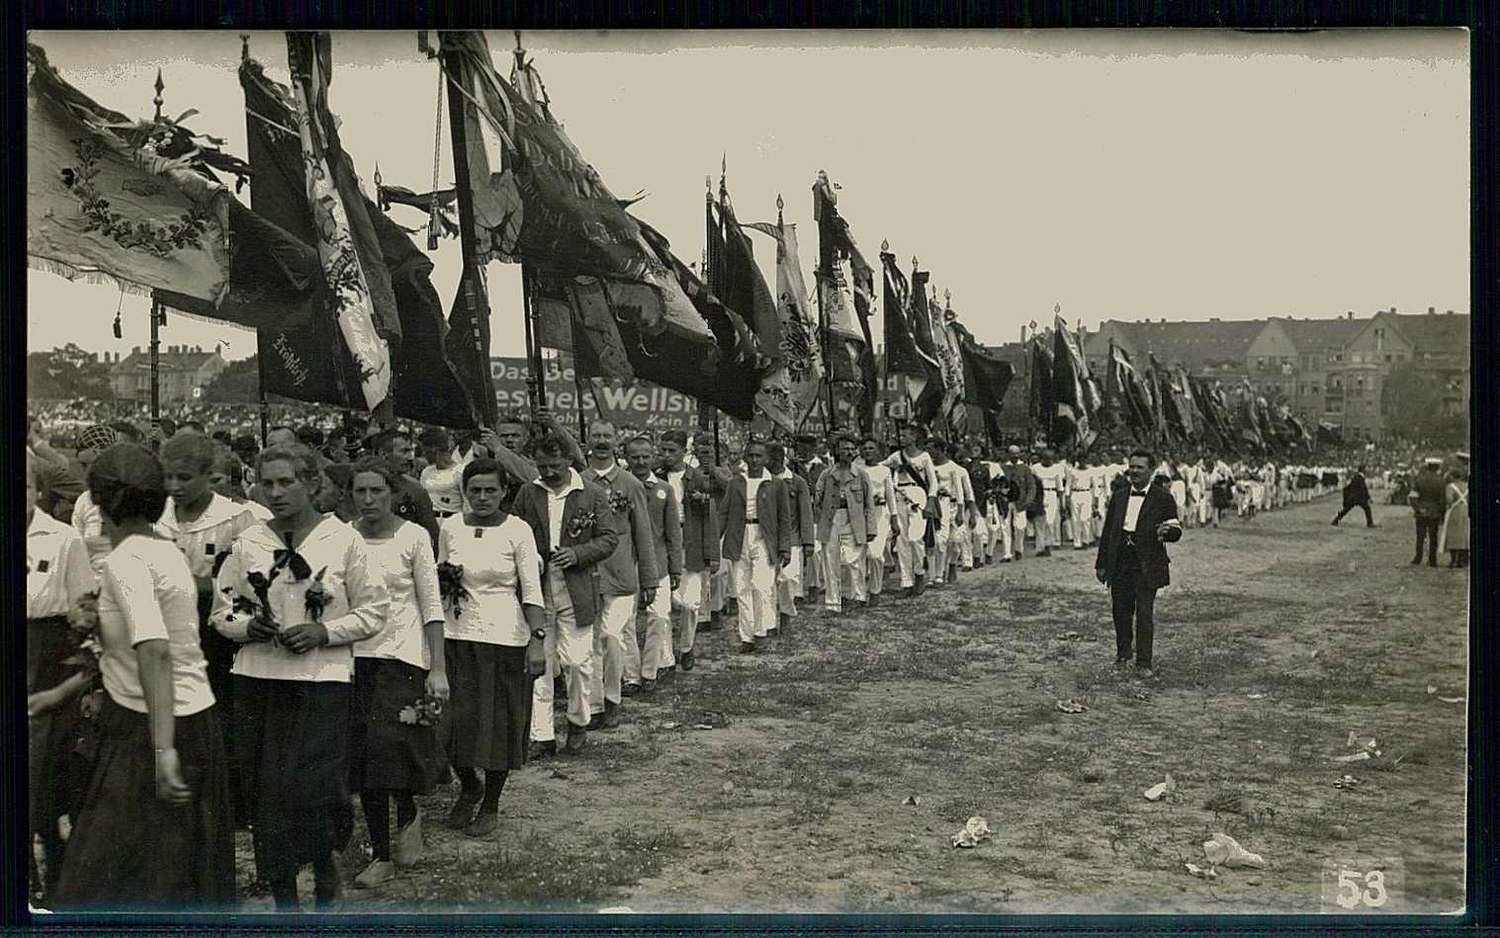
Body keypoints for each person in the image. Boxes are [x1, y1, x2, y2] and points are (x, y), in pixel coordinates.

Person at [52, 444, 235, 911]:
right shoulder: (165, 550)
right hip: (190, 720)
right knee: (174, 874)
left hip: (150, 729)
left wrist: (162, 750)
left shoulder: (126, 560)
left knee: (107, 881)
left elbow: (154, 650)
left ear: (99, 501)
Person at [211, 442, 390, 912]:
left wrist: (324, 631)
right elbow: (222, 611)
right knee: (266, 791)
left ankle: (324, 863)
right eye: (266, 483)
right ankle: (284, 894)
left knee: (315, 788)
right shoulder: (249, 542)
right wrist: (248, 626)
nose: (275, 492)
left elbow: (374, 611)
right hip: (258, 678)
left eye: (286, 482)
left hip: (321, 681)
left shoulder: (342, 539)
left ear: (312, 484)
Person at [343, 459, 450, 881]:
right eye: (360, 492)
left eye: (377, 491)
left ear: (393, 494)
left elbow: (432, 604)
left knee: (395, 746)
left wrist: (437, 667)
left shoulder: (414, 537)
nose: (368, 500)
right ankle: (382, 855)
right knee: (367, 755)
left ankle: (407, 812)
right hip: (355, 657)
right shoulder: (344, 537)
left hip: (404, 655)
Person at [436, 458, 546, 833]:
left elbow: (531, 589)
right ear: (464, 492)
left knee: (497, 726)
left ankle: (492, 804)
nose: (482, 497)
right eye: (475, 490)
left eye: (490, 490)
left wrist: (537, 640)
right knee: (449, 723)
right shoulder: (450, 527)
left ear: (504, 492)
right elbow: (438, 579)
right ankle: (469, 786)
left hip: (503, 638)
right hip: (455, 636)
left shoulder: (518, 530)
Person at [157, 432, 259, 825]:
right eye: (168, 478)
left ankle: (232, 801)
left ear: (206, 475)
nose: (174, 487)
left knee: (220, 710)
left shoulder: (235, 517)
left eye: (184, 478)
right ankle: (181, 791)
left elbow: (247, 579)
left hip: (215, 626)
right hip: (170, 624)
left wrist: (197, 584)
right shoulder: (159, 514)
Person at [512, 433, 620, 756]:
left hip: (577, 589)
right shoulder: (528, 492)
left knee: (577, 661)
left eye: (554, 466)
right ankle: (541, 735)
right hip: (538, 588)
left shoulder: (591, 493)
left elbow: (609, 538)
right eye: (542, 466)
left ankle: (577, 721)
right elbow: (515, 534)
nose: (548, 473)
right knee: (539, 663)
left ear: (569, 461)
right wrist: (532, 558)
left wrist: (578, 554)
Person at [25, 454, 98, 898]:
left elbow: (85, 610)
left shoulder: (63, 538)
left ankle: (54, 870)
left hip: (47, 664)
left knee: (41, 776)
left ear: (37, 489)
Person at [580, 421, 658, 725]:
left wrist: (649, 578)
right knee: (590, 642)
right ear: (588, 441)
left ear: (616, 442)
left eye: (607, 436)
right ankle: (595, 705)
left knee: (612, 636)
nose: (601, 441)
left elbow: (644, 535)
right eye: (596, 436)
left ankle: (612, 697)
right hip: (587, 574)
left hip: (623, 577)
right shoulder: (579, 481)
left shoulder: (630, 484)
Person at [1095, 448, 1183, 678]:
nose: (1133, 471)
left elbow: (1175, 529)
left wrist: (1169, 532)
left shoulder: (1163, 498)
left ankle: (1144, 662)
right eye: (1131, 466)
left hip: (1146, 562)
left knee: (1144, 612)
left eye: (1139, 467)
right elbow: (1108, 532)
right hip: (1121, 559)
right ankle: (1123, 654)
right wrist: (1101, 563)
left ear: (1151, 471)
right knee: (1120, 610)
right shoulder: (1120, 495)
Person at [718, 438, 792, 653]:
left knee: (761, 585)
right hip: (739, 536)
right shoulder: (736, 482)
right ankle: (747, 637)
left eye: (759, 456)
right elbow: (724, 513)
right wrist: (716, 541)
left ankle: (762, 630)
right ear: (745, 457)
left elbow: (784, 518)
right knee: (741, 588)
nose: (754, 460)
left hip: (764, 537)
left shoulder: (776, 484)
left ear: (767, 458)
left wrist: (784, 547)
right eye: (750, 455)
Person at [623, 436, 683, 692]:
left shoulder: (663, 489)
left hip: (657, 564)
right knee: (624, 622)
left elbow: (673, 532)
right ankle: (630, 676)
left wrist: (675, 567)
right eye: (635, 457)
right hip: (625, 563)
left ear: (653, 456)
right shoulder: (620, 486)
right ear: (626, 457)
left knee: (658, 617)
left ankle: (650, 672)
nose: (640, 461)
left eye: (645, 456)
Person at [658, 429, 719, 671]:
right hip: (663, 541)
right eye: (663, 450)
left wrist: (712, 554)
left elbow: (710, 518)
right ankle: (665, 658)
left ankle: (686, 646)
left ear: (684, 452)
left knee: (691, 602)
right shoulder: (655, 476)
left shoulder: (697, 477)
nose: (666, 455)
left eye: (672, 451)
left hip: (690, 539)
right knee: (662, 603)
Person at [815, 434, 875, 614]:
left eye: (851, 449)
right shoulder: (827, 474)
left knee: (853, 560)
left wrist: (870, 527)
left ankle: (857, 596)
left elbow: (868, 502)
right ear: (837, 451)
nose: (849, 452)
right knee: (831, 560)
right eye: (844, 449)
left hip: (854, 520)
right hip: (832, 519)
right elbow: (818, 497)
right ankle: (833, 602)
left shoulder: (861, 474)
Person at [884, 423, 939, 597]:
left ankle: (920, 573)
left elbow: (933, 482)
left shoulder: (924, 457)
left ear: (915, 437)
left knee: (916, 538)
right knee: (902, 541)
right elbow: (878, 467)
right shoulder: (896, 456)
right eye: (901, 436)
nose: (902, 439)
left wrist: (931, 501)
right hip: (900, 494)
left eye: (906, 435)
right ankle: (906, 582)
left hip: (918, 495)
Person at [768, 441, 816, 630]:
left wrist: (808, 542)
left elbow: (806, 512)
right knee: (769, 583)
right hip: (769, 538)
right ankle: (769, 622)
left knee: (788, 579)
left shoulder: (797, 482)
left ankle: (786, 615)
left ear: (779, 459)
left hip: (793, 538)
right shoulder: (762, 480)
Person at [858, 437, 898, 596]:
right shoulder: (856, 469)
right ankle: (858, 592)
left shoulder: (884, 471)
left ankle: (875, 590)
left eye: (871, 448)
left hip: (880, 515)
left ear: (878, 451)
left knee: (874, 555)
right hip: (861, 515)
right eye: (865, 448)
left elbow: (890, 496)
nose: (868, 451)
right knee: (858, 556)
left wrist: (894, 518)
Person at [418, 427, 464, 520]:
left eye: (426, 451)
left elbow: (468, 504)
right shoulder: (426, 472)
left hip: (452, 521)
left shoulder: (461, 471)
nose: (424, 454)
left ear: (435, 449)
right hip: (430, 521)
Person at [1409, 457, 1447, 568]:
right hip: (1434, 512)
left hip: (1421, 511)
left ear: (1427, 467)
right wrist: (1442, 514)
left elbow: (1412, 497)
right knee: (1433, 537)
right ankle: (1432, 559)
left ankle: (1418, 557)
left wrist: (1418, 509)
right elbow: (1443, 500)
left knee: (1420, 536)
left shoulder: (1419, 479)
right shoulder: (1441, 481)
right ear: (1438, 467)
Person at [1438, 468, 1469, 568]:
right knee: (1463, 534)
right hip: (1465, 510)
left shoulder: (1450, 486)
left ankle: (1453, 560)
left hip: (1454, 511)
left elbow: (1449, 500)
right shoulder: (1467, 486)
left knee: (1453, 535)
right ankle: (1462, 560)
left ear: (1452, 476)